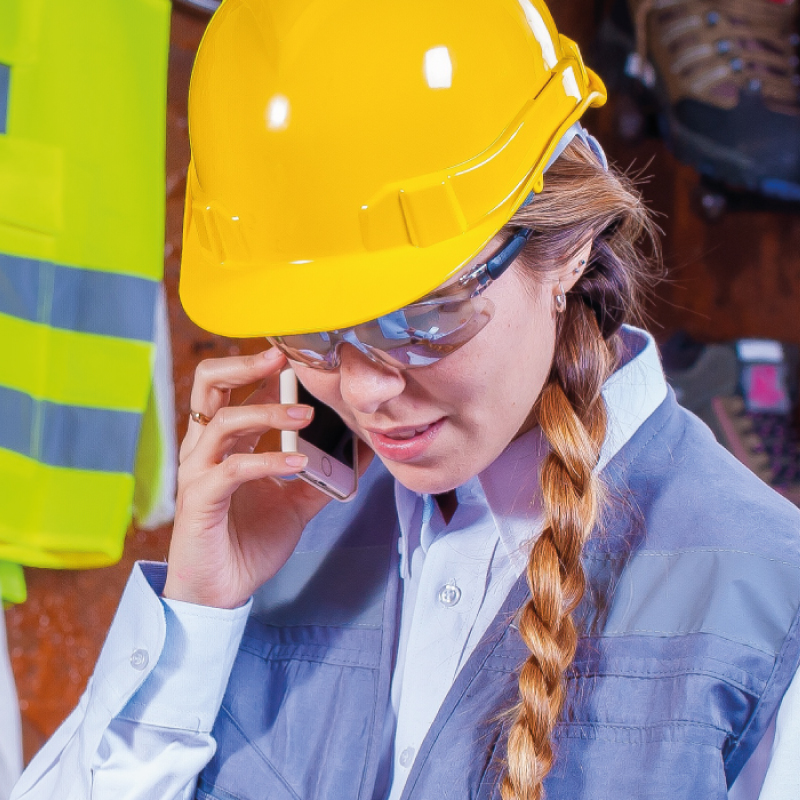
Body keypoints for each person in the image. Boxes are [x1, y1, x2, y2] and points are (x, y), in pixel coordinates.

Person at [11, 0, 800, 798]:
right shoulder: (268, 539)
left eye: (424, 319)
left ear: (568, 245)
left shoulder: (765, 607)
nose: (362, 390)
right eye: (310, 331)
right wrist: (198, 614)